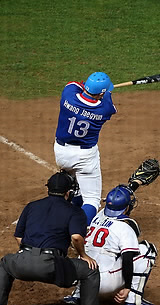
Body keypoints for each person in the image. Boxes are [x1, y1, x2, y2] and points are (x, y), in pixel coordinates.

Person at [0, 171, 106, 305]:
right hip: (51, 267)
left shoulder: (32, 206)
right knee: (90, 271)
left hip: (22, 263)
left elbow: (19, 237)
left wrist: (30, 256)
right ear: (68, 193)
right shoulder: (74, 211)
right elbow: (77, 237)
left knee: (6, 263)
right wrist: (84, 255)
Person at [63, 159, 160, 305]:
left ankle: (78, 295)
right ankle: (133, 301)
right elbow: (128, 259)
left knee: (91, 254)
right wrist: (127, 287)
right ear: (127, 207)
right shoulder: (127, 227)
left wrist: (135, 183)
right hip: (105, 283)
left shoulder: (97, 216)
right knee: (147, 250)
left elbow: (118, 204)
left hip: (86, 278)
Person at [53, 72, 117, 225]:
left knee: (75, 189)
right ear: (101, 93)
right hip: (85, 157)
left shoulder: (68, 95)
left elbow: (75, 83)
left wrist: (95, 90)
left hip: (61, 153)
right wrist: (106, 92)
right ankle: (78, 231)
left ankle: (63, 215)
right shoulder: (105, 109)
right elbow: (109, 102)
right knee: (92, 200)